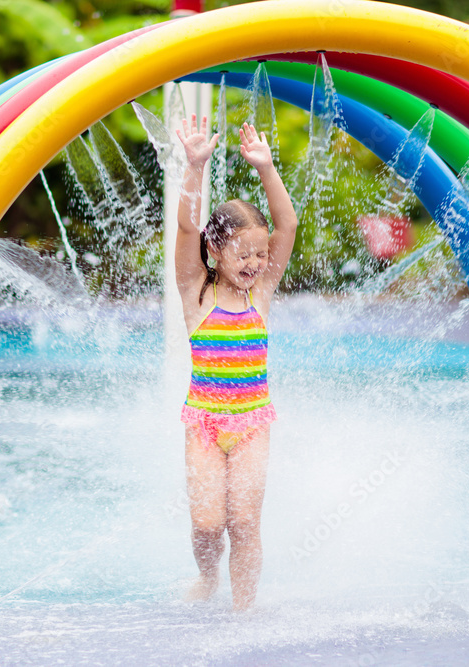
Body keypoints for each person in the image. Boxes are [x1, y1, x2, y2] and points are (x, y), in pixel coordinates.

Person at [174, 115, 298, 611]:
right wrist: (195, 166)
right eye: (242, 253)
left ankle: (242, 610)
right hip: (203, 423)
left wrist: (267, 170)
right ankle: (207, 579)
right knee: (207, 524)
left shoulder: (261, 293)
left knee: (244, 521)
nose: (253, 263)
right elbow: (186, 225)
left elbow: (287, 224)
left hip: (252, 423)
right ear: (214, 250)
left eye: (260, 254)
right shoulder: (195, 292)